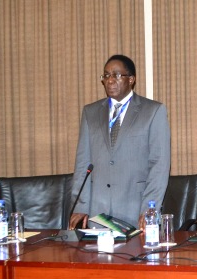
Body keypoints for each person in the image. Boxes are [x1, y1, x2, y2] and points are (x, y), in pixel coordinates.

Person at [69, 54, 171, 230]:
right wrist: (80, 205)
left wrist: (149, 209)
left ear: (131, 79)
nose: (110, 80)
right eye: (106, 75)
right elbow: (82, 164)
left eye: (116, 75)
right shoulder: (90, 113)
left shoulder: (153, 112)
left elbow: (159, 166)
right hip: (97, 214)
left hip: (136, 212)